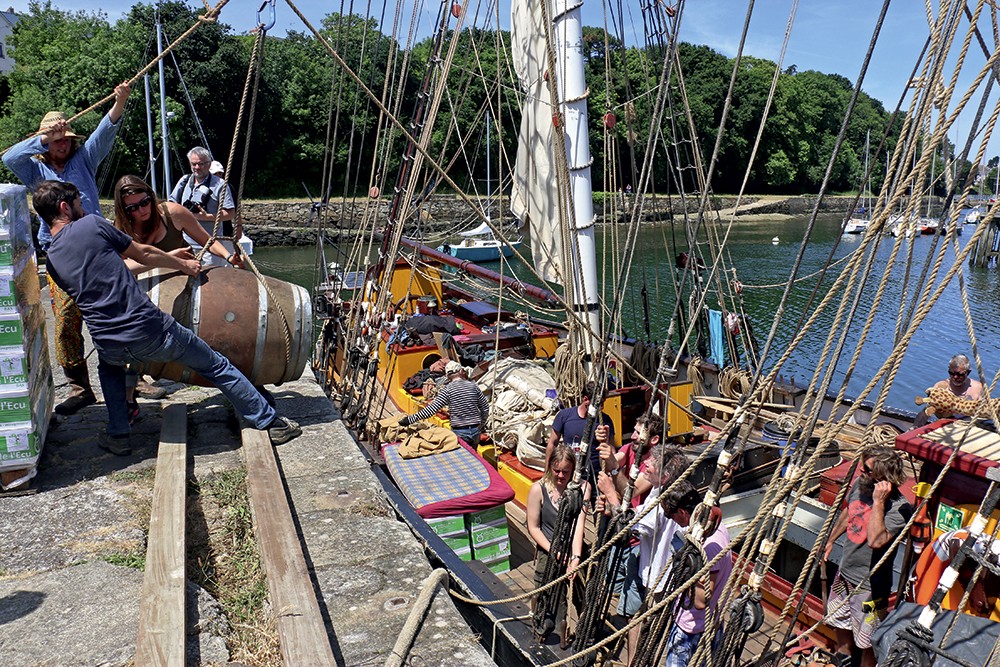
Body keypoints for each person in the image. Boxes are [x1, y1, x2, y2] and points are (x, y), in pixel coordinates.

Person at [32, 180, 300, 456]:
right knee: (216, 365)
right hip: (148, 327)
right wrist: (183, 264)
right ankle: (271, 422)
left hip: (106, 337)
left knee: (110, 371)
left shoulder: (51, 259)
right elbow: (143, 253)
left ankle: (118, 435)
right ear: (65, 207)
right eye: (78, 203)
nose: (83, 208)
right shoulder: (92, 226)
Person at [2, 81, 136, 414]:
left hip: (98, 250)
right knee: (65, 322)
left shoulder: (85, 159)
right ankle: (80, 387)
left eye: (64, 139)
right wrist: (45, 136)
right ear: (46, 143)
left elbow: (106, 131)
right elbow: (9, 156)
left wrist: (119, 101)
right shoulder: (35, 169)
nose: (62, 144)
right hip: (60, 255)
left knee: (118, 311)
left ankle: (136, 376)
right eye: (55, 140)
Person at [597, 439, 689, 666]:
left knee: (652, 627)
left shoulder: (665, 502)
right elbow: (636, 511)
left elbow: (628, 526)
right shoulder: (659, 489)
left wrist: (610, 494)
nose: (646, 463)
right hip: (644, 566)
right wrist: (611, 508)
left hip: (659, 578)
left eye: (652, 463)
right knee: (633, 618)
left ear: (665, 475)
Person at [822, 446, 912, 667]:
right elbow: (849, 512)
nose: (860, 471)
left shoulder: (899, 509)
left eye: (867, 469)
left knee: (867, 642)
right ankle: (842, 661)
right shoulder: (860, 485)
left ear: (883, 479)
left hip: (870, 587)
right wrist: (830, 540)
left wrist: (879, 502)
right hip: (845, 574)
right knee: (840, 623)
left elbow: (876, 540)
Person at [662, 480, 733, 667]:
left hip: (691, 629)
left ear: (683, 513)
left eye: (670, 516)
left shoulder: (708, 546)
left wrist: (683, 567)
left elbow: (701, 600)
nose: (671, 520)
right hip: (710, 624)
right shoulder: (718, 528)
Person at [526, 444, 588, 647]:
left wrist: (576, 558)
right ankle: (542, 626)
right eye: (557, 470)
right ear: (550, 467)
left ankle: (584, 633)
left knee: (581, 595)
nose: (561, 476)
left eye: (566, 472)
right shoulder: (538, 489)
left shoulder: (582, 489)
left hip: (573, 550)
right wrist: (554, 551)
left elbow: (579, 524)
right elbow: (533, 527)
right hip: (548, 549)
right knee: (544, 593)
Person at [398, 360, 488, 444]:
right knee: (474, 457)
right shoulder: (473, 386)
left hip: (460, 433)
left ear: (447, 376)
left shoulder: (447, 390)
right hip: (475, 431)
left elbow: (430, 410)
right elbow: (485, 407)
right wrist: (480, 425)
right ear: (461, 371)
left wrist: (409, 420)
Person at [546, 381, 614, 477]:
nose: (602, 407)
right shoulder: (564, 416)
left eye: (603, 403)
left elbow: (611, 448)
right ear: (585, 399)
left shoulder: (605, 421)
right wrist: (547, 472)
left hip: (595, 475)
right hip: (568, 475)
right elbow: (552, 444)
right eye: (599, 403)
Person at [168, 146, 235, 235]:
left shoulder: (220, 184)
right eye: (193, 164)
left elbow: (230, 214)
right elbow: (171, 205)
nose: (197, 167)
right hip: (185, 243)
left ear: (209, 164)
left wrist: (205, 217)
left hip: (210, 244)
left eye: (201, 164)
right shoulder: (184, 181)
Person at [914, 354, 985, 426]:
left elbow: (983, 412)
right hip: (945, 426)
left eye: (960, 374)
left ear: (968, 372)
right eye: (951, 373)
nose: (955, 377)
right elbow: (926, 411)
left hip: (969, 425)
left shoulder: (978, 387)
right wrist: (914, 428)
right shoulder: (940, 387)